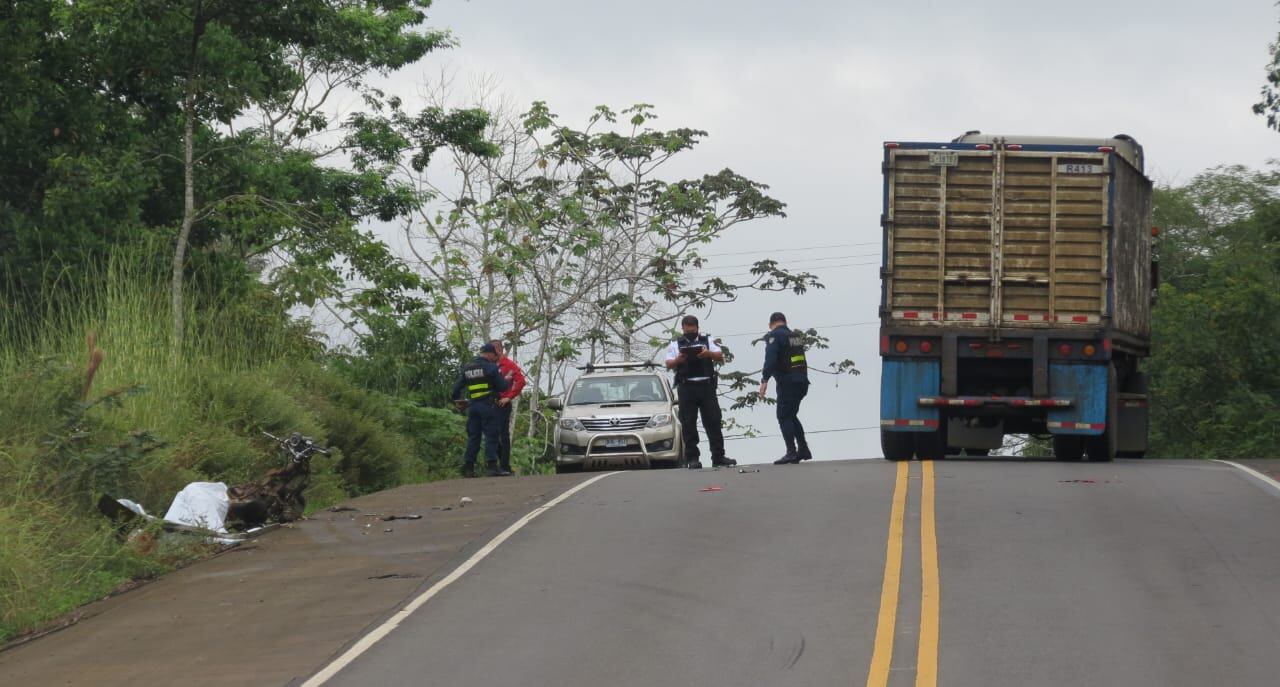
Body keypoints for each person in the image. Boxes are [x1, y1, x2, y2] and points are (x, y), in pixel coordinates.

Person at [665, 315, 736, 469]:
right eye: (687, 330)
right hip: (686, 387)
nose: (690, 332)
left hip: (706, 386)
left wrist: (707, 354)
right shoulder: (675, 344)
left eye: (693, 330)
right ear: (682, 329)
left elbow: (719, 356)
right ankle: (692, 458)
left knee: (714, 422)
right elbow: (668, 363)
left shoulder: (708, 340)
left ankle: (718, 456)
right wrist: (678, 360)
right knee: (688, 423)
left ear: (698, 328)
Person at [758, 312, 812, 465]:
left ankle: (791, 452)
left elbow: (771, 358)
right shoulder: (794, 336)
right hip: (802, 381)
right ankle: (803, 449)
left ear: (770, 324)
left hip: (788, 382)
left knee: (783, 416)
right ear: (785, 322)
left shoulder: (773, 336)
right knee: (791, 415)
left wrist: (764, 379)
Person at [451, 343, 511, 478]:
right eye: (494, 356)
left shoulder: (467, 368)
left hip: (472, 408)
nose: (494, 359)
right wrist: (506, 380)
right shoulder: (490, 368)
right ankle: (492, 467)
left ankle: (469, 468)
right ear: (489, 354)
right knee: (491, 436)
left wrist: (457, 401)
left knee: (473, 437)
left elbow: (455, 389)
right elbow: (502, 387)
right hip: (488, 406)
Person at [490, 339, 527, 475]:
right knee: (490, 434)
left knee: (502, 434)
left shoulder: (508, 364)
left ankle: (505, 465)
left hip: (502, 403)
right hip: (489, 403)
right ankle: (495, 464)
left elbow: (521, 381)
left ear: (499, 350)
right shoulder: (488, 365)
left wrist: (509, 396)